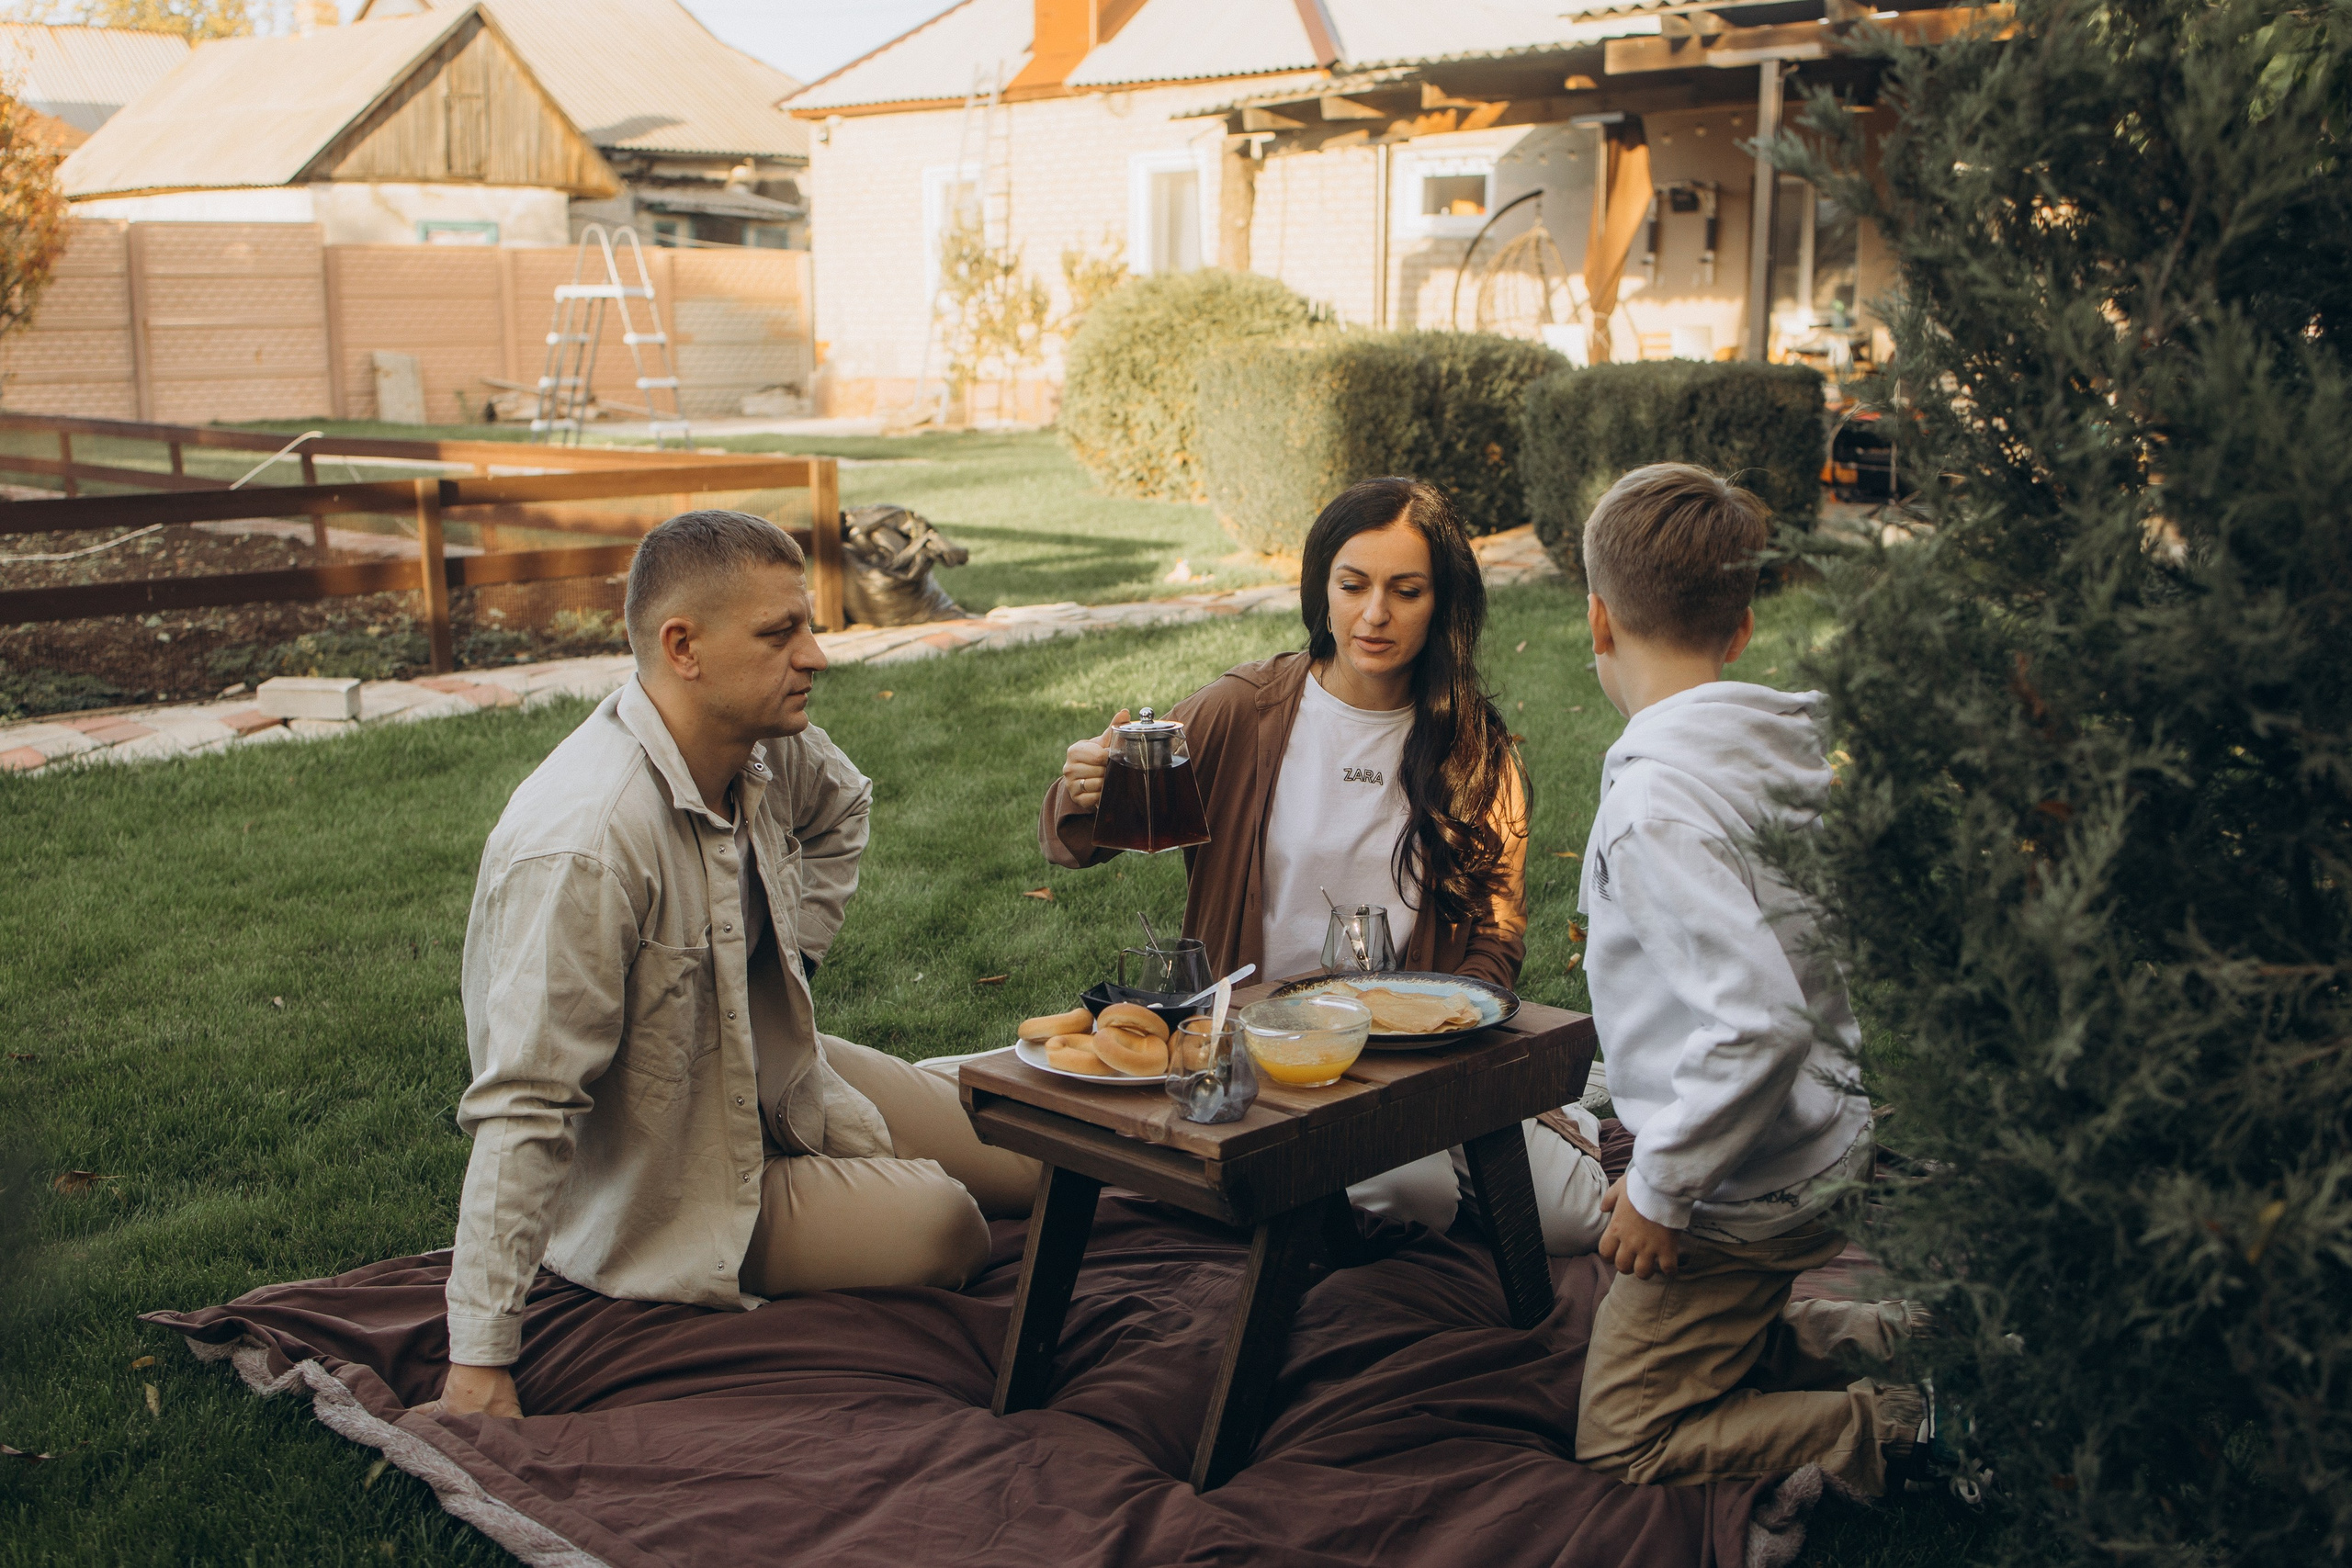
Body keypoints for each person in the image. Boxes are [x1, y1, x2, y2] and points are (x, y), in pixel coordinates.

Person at [430, 510, 1038, 1420]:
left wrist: (789, 958)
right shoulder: (587, 844)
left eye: (806, 625)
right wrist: (480, 1358)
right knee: (944, 1223)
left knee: (1044, 1161)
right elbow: (527, 1103)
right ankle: (915, 1123)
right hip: (670, 1178)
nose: (816, 657)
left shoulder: (762, 746)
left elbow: (842, 811)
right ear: (684, 647)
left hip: (778, 1070)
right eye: (779, 633)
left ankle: (935, 1100)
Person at [1041, 477, 1606, 1254]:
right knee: (1414, 1187)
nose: (1375, 614)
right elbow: (1084, 839)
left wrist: (1448, 1032)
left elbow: (1496, 935)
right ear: (1322, 589)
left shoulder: (1473, 750)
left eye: (1406, 591)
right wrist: (1083, 786)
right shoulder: (1246, 710)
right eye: (1354, 585)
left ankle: (1479, 1140)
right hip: (1265, 1050)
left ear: (1441, 601)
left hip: (1410, 1054)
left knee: (1576, 1216)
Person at [1569, 463, 1927, 1495]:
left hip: (1742, 1184)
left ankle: (1904, 1425)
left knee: (1624, 1440)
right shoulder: (1766, 747)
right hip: (1822, 1135)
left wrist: (1659, 1190)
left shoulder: (1656, 810)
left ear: (1597, 622)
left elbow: (1760, 1022)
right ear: (1741, 628)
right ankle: (1891, 1336)